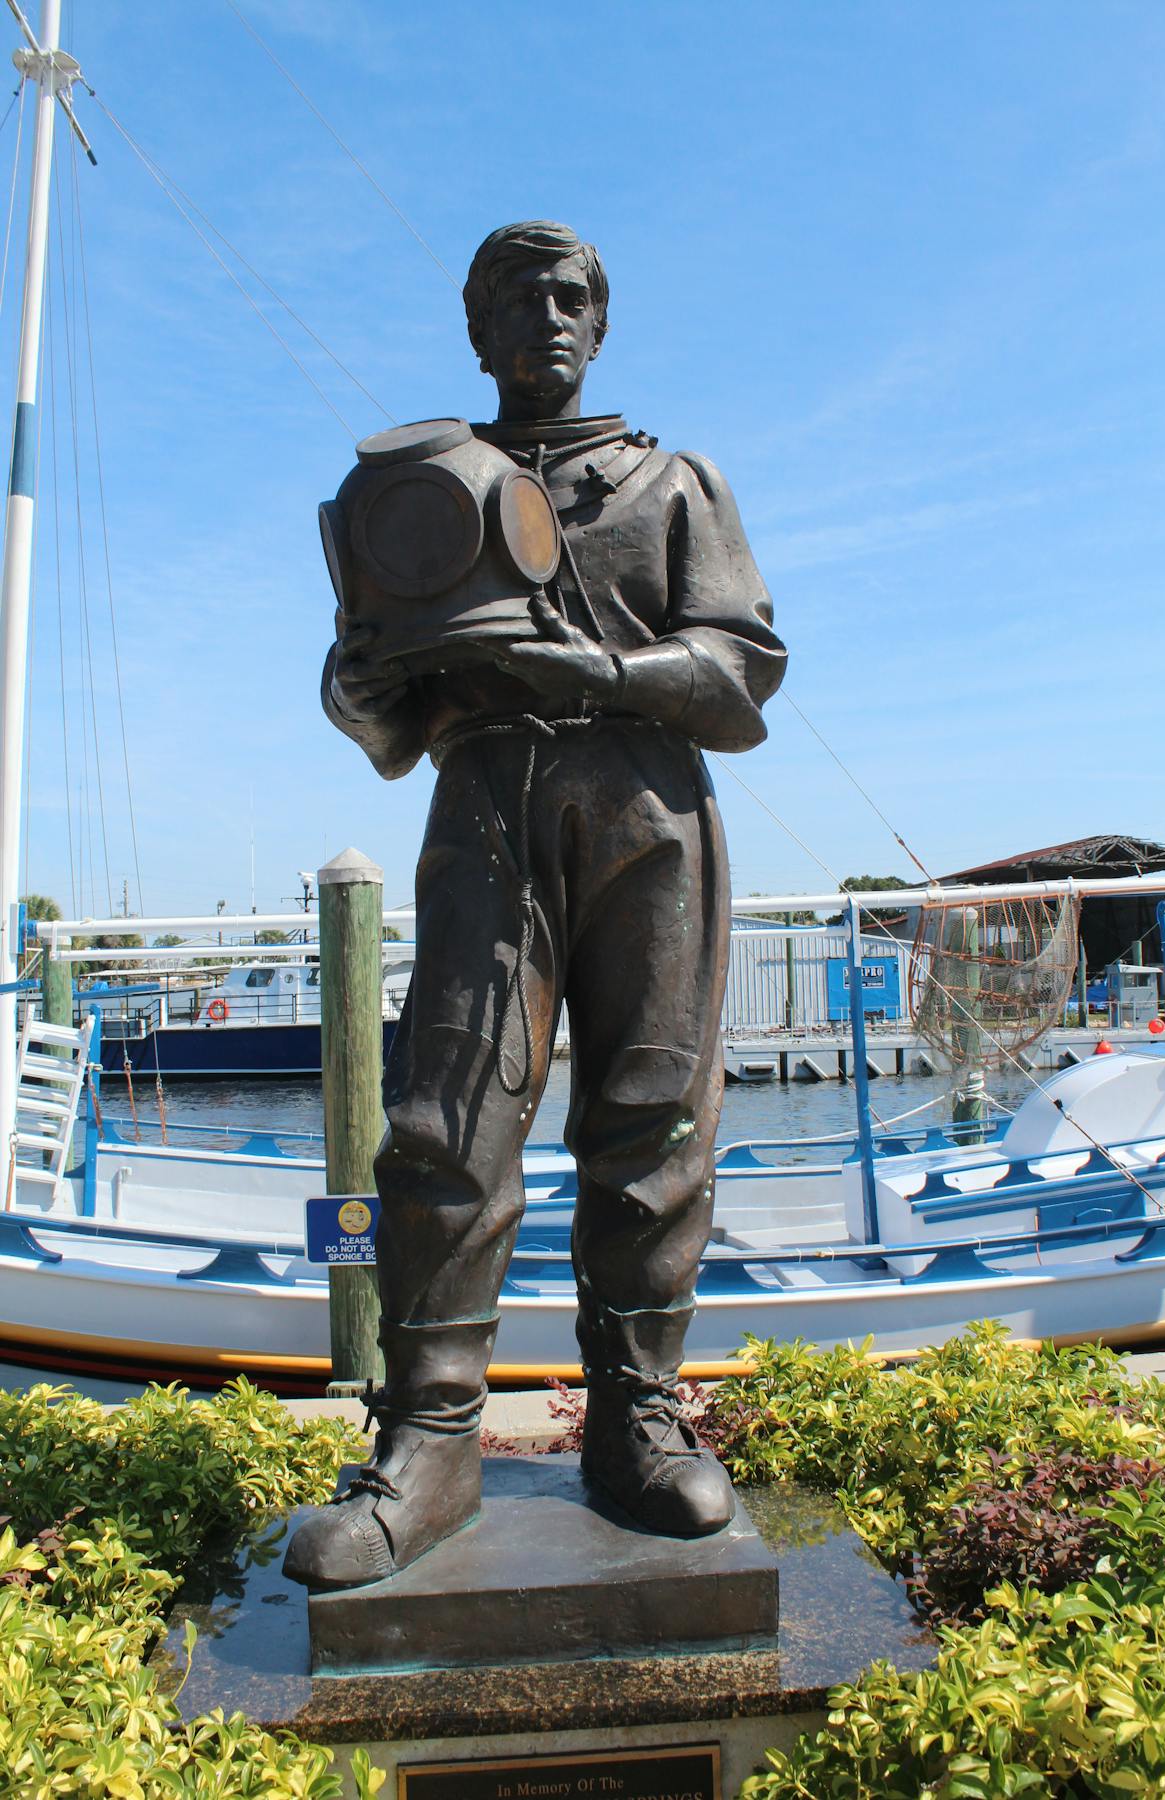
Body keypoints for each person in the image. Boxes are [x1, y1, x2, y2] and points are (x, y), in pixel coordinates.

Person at [285, 221, 786, 1591]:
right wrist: (367, 676)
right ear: (477, 330)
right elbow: (378, 716)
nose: (548, 318)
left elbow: (741, 679)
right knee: (445, 1120)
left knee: (655, 1113)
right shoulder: (416, 499)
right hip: (485, 806)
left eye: (572, 298)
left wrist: (604, 669)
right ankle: (432, 1438)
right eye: (518, 299)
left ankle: (638, 1415)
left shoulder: (671, 483)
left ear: (601, 324)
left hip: (645, 810)